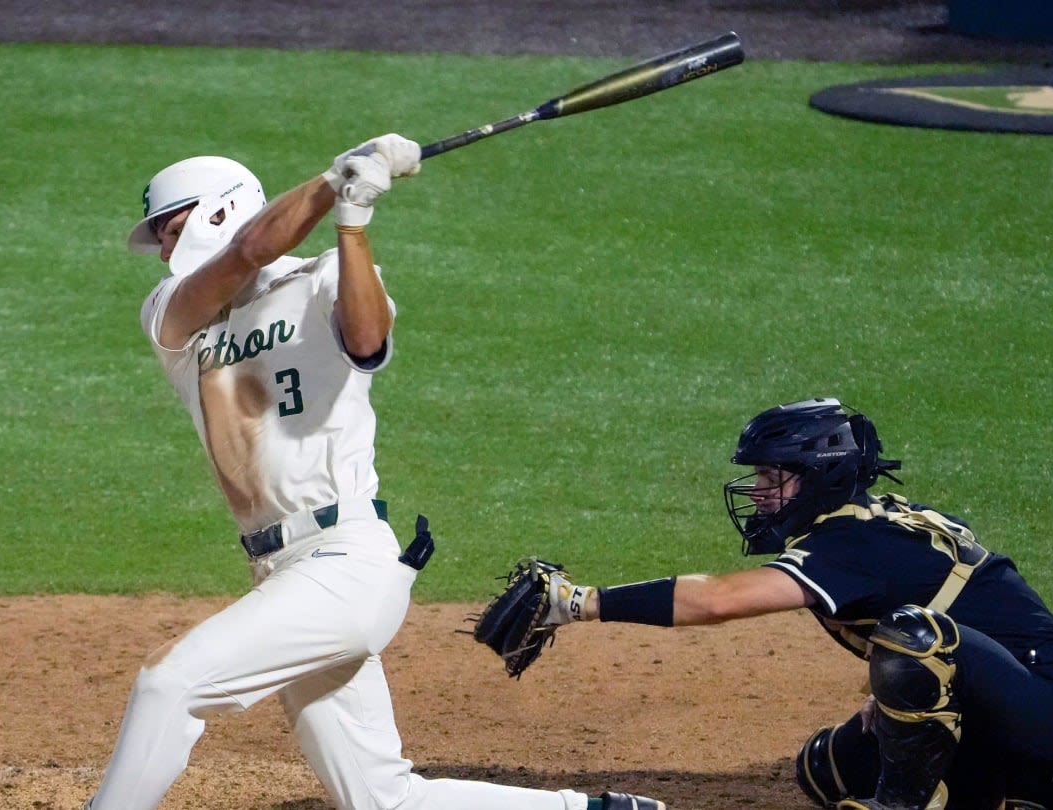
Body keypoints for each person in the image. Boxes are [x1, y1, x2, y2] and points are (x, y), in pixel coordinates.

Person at [84, 134, 667, 810]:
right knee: (381, 800)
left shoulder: (326, 275)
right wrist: (334, 181)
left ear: (220, 210)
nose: (162, 250)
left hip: (345, 561)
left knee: (169, 682)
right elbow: (249, 250)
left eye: (173, 229)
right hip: (278, 572)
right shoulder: (173, 314)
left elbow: (366, 342)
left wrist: (353, 221)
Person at [537, 398, 1053, 810]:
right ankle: (1043, 788)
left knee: (914, 638)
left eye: (772, 476)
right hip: (998, 693)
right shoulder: (864, 524)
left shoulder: (852, 541)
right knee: (827, 769)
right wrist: (892, 697)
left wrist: (581, 602)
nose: (758, 491)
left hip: (1043, 703)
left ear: (820, 476)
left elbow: (716, 600)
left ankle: (910, 804)